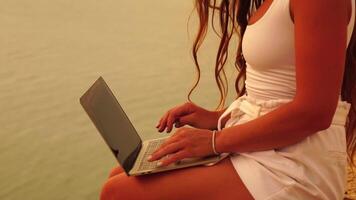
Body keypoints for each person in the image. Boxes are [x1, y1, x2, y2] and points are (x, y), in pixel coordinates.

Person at [100, 0, 356, 199]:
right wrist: (215, 119)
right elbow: (276, 94)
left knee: (119, 193)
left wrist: (215, 142)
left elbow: (314, 112)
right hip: (274, 149)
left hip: (297, 166)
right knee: (119, 177)